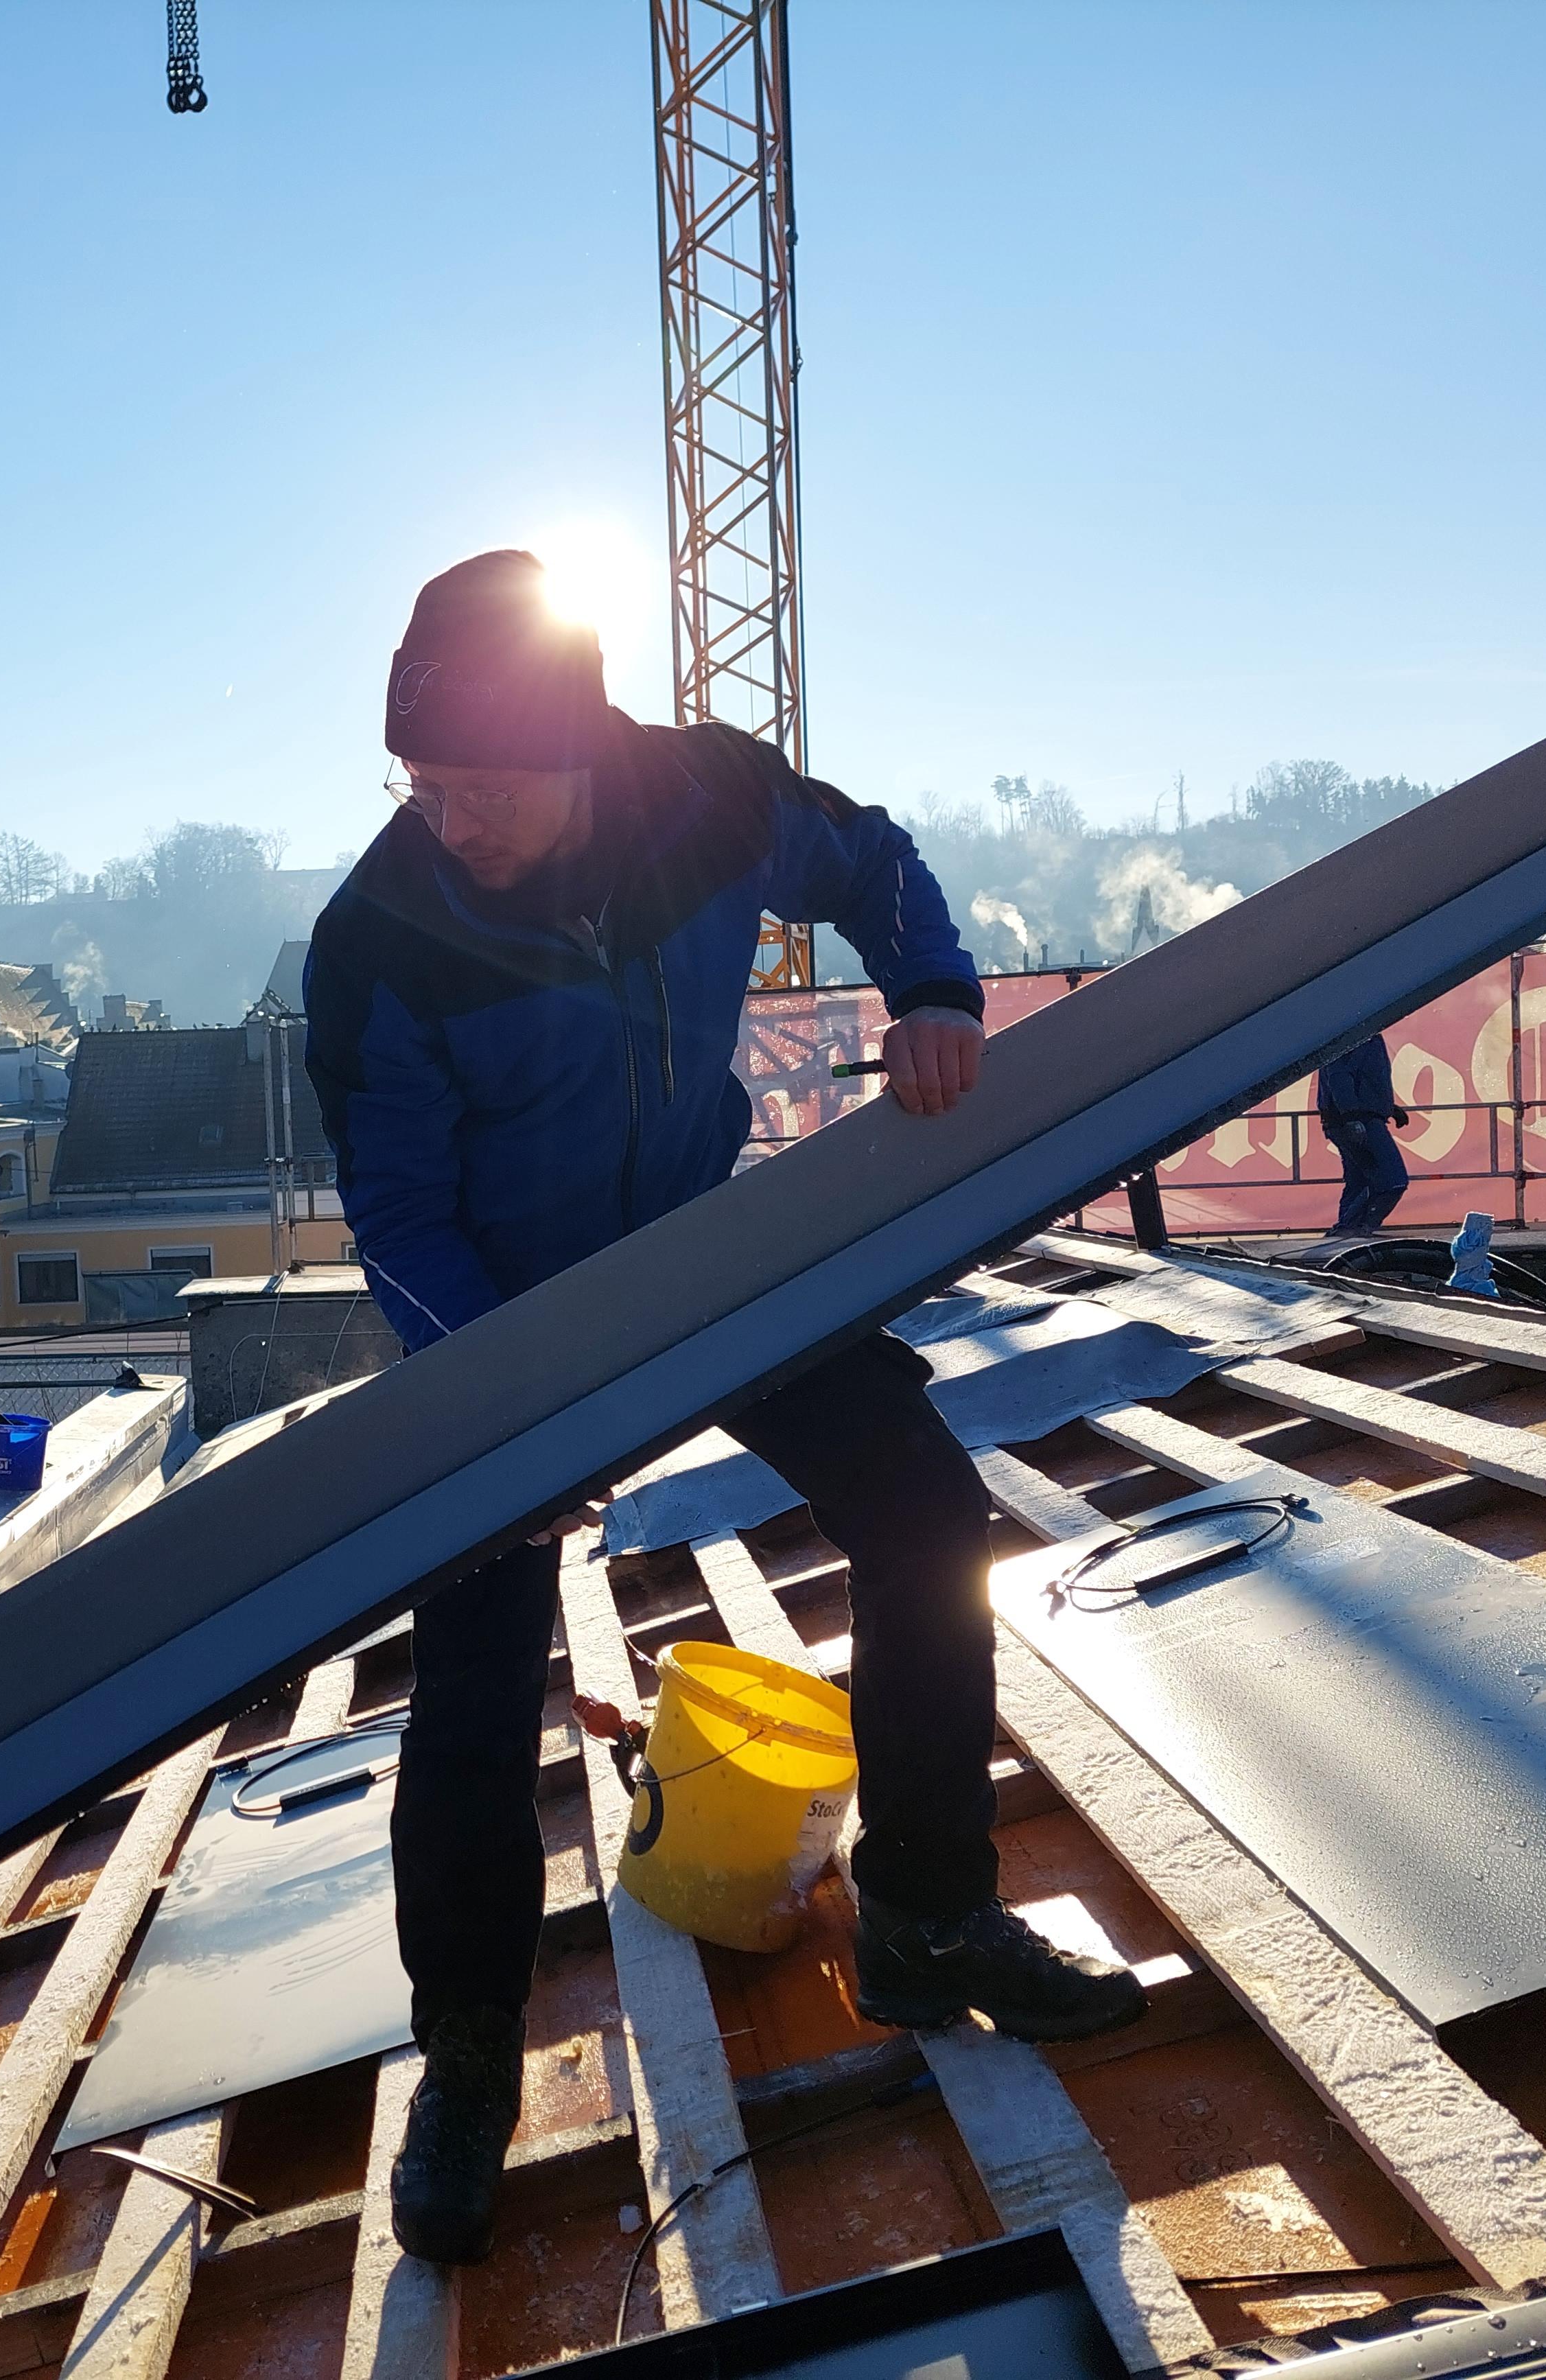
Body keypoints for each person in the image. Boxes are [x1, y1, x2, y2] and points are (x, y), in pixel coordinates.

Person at [305, 550, 1147, 2267]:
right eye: (419, 789)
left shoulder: (707, 799)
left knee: (924, 1519)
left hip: (707, 1256)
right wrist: (510, 1408)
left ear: (575, 748)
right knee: (472, 1673)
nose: (449, 823)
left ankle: (926, 1917)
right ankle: (465, 2051)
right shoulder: (377, 940)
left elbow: (872, 856)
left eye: (479, 787)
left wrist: (932, 990)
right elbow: (395, 1214)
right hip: (509, 1318)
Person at [1317, 1033, 1412, 1234]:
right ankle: (1355, 1227)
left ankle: (1347, 1230)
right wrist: (1352, 1116)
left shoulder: (1361, 1036)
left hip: (1353, 1119)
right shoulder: (1353, 1035)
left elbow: (1356, 1079)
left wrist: (1387, 1107)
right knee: (1393, 1181)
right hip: (1359, 1121)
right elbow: (1340, 1078)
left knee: (1359, 1182)